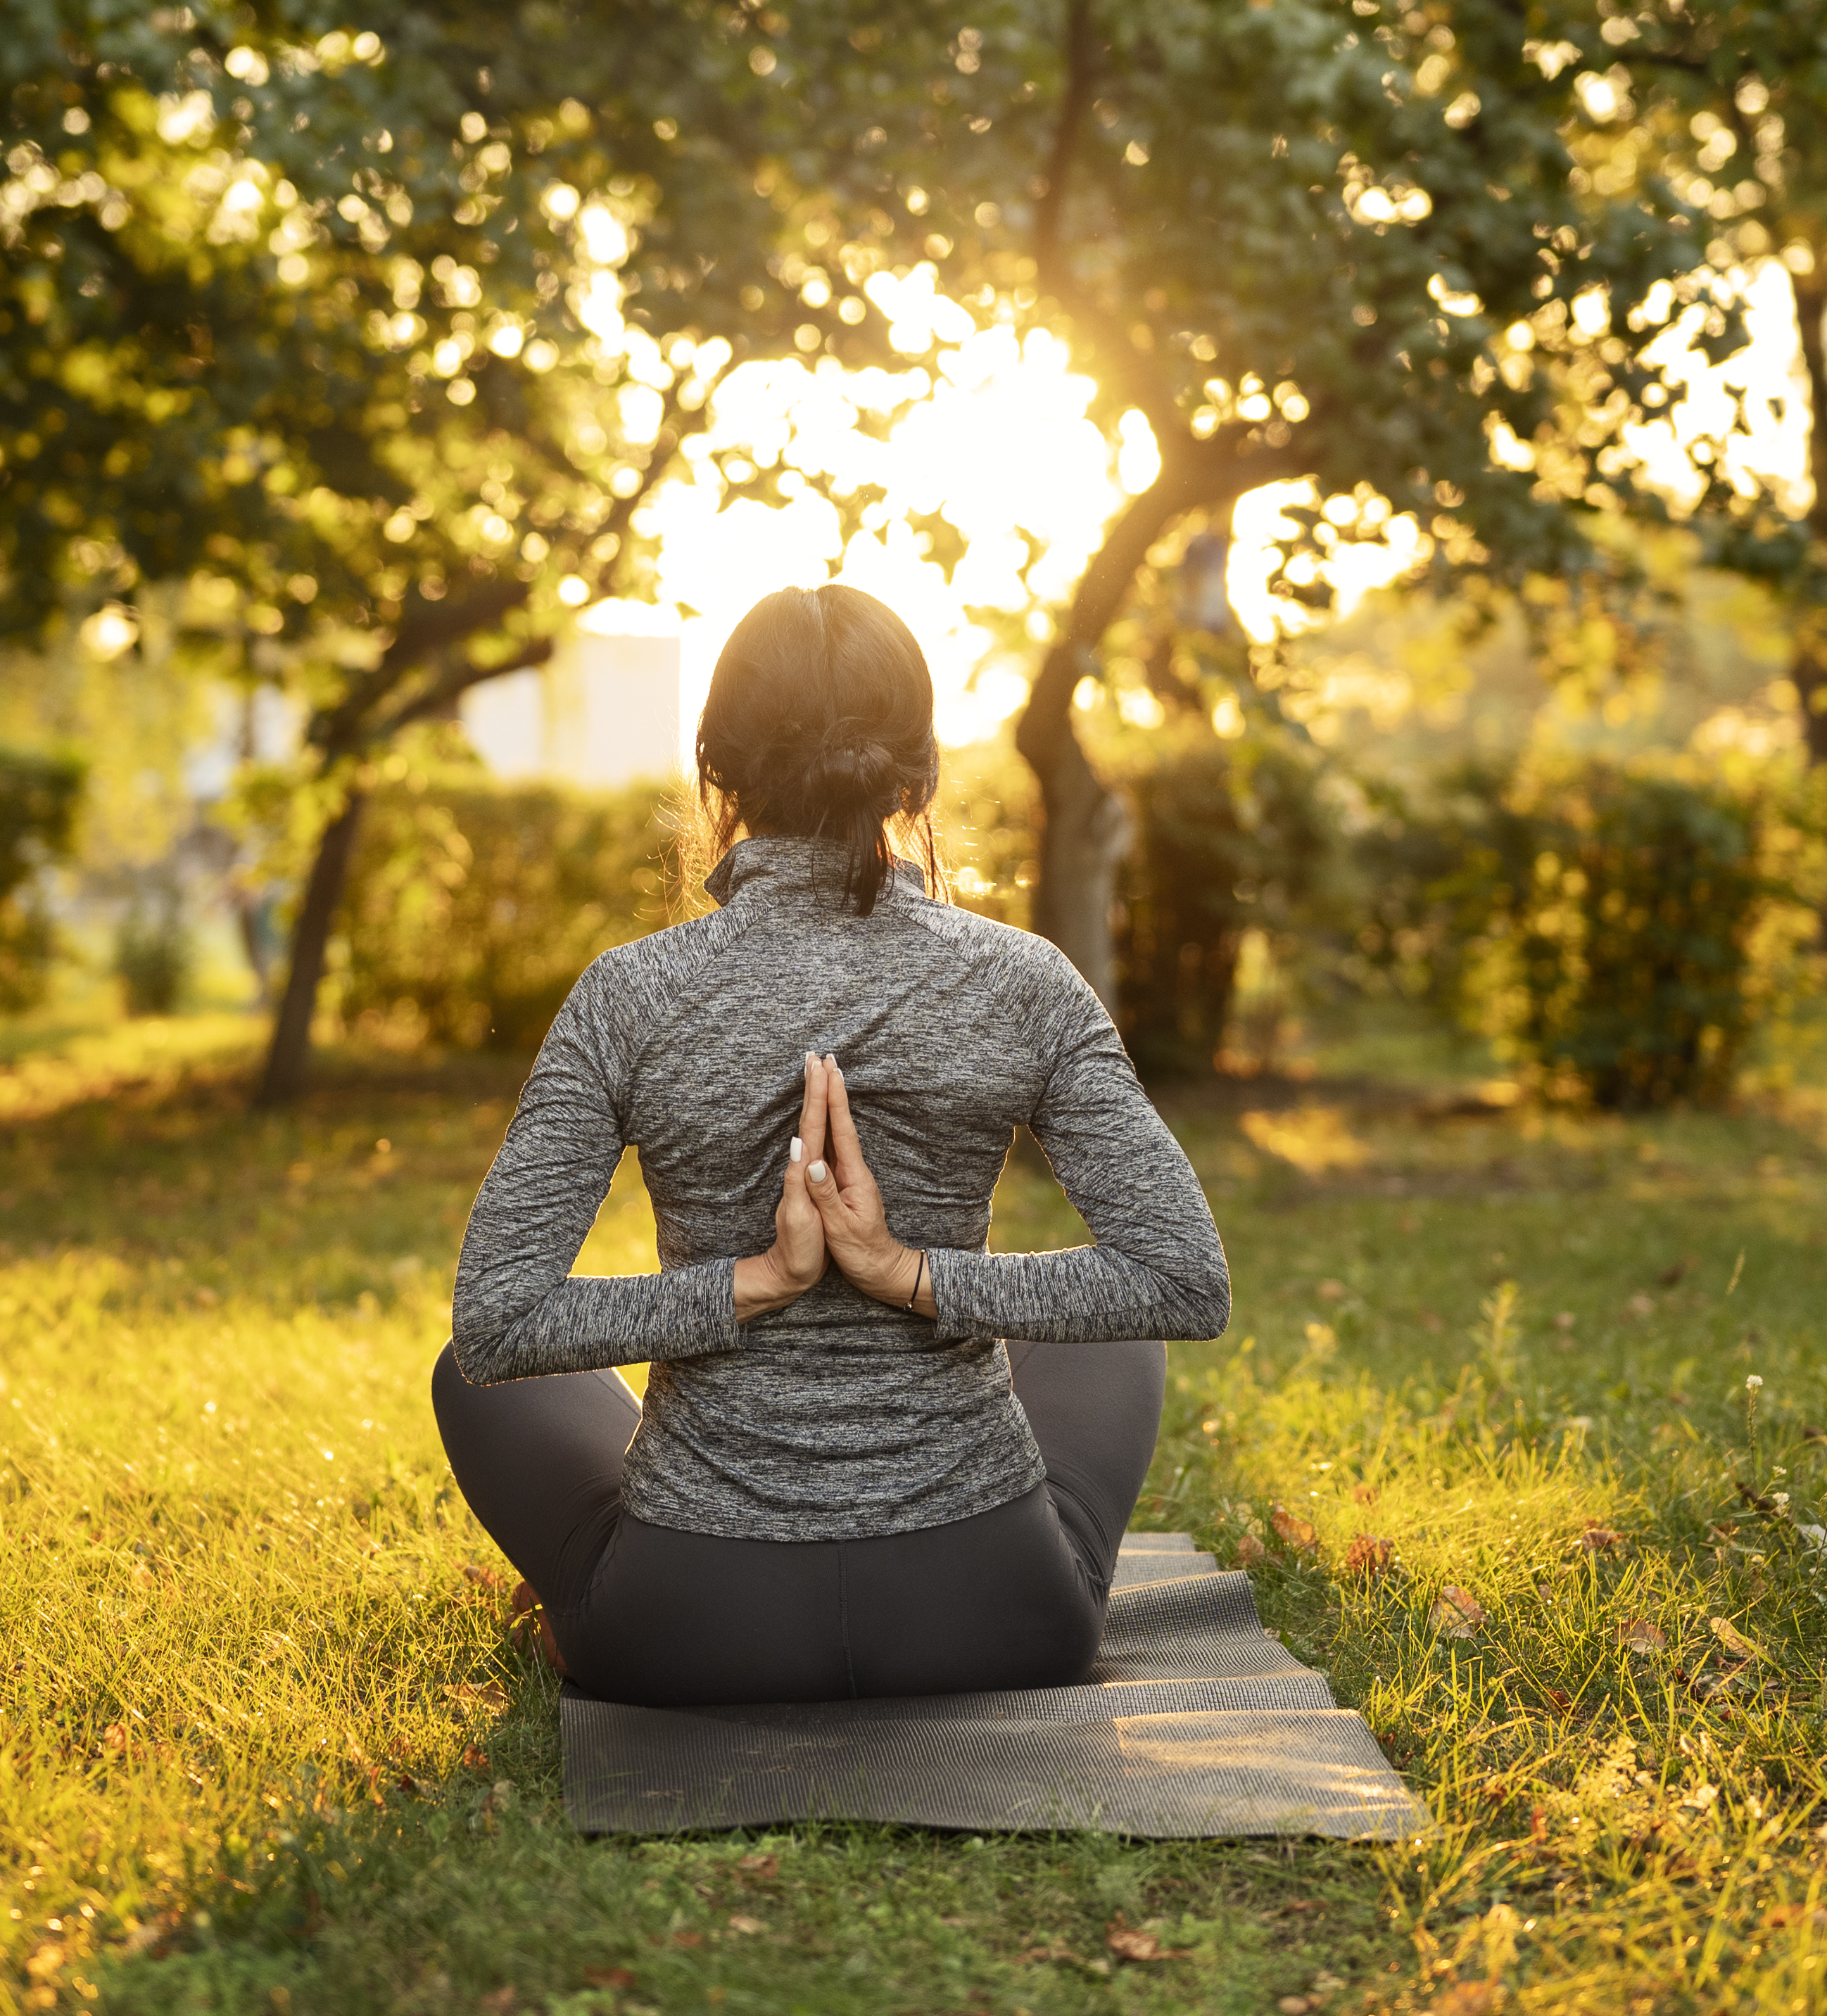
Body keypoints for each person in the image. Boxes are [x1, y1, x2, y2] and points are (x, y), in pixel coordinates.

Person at [435, 582, 1233, 1707]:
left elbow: (496, 1323)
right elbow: (1181, 1280)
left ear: (716, 770)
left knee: (474, 1380)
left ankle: (582, 1613)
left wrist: (751, 1289)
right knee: (1108, 1331)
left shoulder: (630, 996)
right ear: (919, 773)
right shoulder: (1021, 980)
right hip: (995, 1619)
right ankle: (1044, 1576)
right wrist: (912, 1279)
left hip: (688, 1629)